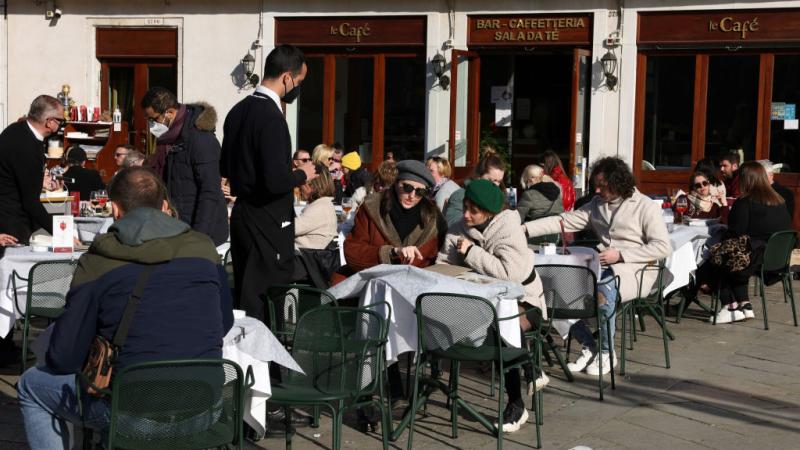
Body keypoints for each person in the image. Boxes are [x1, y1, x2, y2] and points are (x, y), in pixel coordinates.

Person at [16, 167, 233, 448]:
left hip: (132, 408)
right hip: (204, 406)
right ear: (165, 207)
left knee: (31, 385)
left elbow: (63, 357)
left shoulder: (99, 260)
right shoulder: (204, 250)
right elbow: (224, 322)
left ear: (115, 210)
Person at [523, 157, 671, 375]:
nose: (598, 189)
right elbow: (562, 220)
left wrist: (621, 255)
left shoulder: (645, 206)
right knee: (552, 288)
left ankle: (606, 351)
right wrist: (524, 229)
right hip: (601, 265)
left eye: (603, 185)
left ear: (618, 182)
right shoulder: (596, 204)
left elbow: (662, 247)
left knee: (603, 290)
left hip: (636, 269)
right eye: (596, 185)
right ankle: (589, 346)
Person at [437, 179, 547, 433]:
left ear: (489, 212)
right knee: (499, 322)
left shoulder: (508, 228)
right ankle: (530, 367)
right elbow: (444, 265)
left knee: (506, 324)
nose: (466, 215)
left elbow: (511, 275)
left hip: (525, 300)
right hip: (481, 302)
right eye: (465, 207)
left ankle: (516, 404)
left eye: (473, 211)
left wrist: (472, 253)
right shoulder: (457, 229)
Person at [337, 159, 447, 405]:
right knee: (378, 319)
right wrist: (391, 253)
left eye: (420, 192)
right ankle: (385, 386)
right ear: (396, 183)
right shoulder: (372, 207)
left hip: (411, 292)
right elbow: (353, 250)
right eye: (407, 188)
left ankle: (402, 382)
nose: (412, 195)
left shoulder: (432, 218)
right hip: (371, 287)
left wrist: (412, 265)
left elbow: (433, 258)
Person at [221, 44, 316, 321]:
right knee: (264, 305)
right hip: (267, 223)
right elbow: (275, 183)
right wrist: (302, 174)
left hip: (242, 219)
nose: (298, 87)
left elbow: (226, 167)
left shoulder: (237, 111)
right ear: (287, 77)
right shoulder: (272, 118)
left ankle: (248, 362)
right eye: (299, 81)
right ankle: (265, 364)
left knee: (245, 298)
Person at [696, 161, 791, 324]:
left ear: (745, 180)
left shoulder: (745, 203)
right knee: (729, 256)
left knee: (709, 261)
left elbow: (734, 232)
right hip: (774, 259)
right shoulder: (780, 202)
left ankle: (730, 306)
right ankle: (745, 306)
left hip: (752, 258)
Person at [140, 86, 228, 246]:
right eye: (148, 120)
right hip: (175, 227)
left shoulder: (201, 140)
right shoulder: (168, 140)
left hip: (200, 232)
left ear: (170, 113)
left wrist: (198, 239)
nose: (151, 125)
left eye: (154, 119)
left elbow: (209, 192)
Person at [0, 95, 60, 243]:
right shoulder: (26, 145)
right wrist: (60, 233)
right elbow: (30, 202)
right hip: (11, 225)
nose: (62, 125)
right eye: (61, 120)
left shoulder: (16, 130)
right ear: (49, 122)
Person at [443, 148, 506, 226]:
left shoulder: (498, 198)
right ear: (478, 176)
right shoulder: (461, 195)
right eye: (492, 180)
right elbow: (452, 224)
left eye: (499, 181)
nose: (496, 185)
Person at [295, 166, 337, 250]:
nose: (299, 187)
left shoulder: (320, 207)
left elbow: (288, 229)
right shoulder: (323, 204)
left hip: (305, 259)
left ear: (310, 185)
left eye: (301, 182)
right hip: (307, 256)